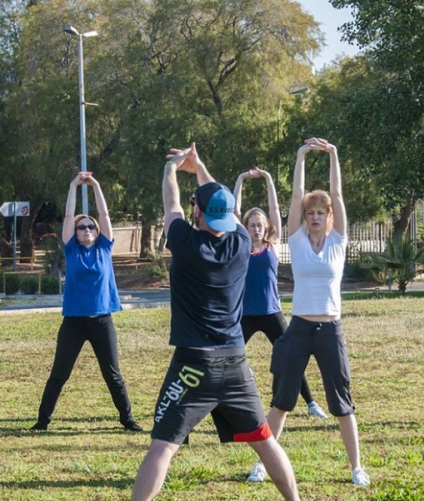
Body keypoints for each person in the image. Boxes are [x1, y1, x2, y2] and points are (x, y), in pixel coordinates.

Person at [131, 144, 299, 501]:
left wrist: (172, 170)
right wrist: (201, 167)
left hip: (194, 364)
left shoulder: (185, 242)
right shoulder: (241, 242)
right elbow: (227, 208)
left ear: (197, 211)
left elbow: (171, 205)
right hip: (235, 362)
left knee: (163, 446)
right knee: (266, 441)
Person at [248, 138, 370, 487]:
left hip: (331, 329)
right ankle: (263, 465)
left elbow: (339, 194)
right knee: (282, 401)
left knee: (342, 403)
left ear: (329, 217)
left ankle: (356, 467)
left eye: (321, 213)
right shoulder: (296, 240)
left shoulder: (338, 242)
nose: (315, 217)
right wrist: (301, 155)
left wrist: (333, 154)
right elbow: (296, 194)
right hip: (299, 329)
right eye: (310, 212)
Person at [31, 171, 142, 432]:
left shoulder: (105, 246)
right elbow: (69, 216)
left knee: (112, 375)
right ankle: (42, 421)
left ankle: (127, 419)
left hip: (102, 320)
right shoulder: (71, 249)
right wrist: (72, 186)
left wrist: (96, 186)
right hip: (74, 322)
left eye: (90, 226)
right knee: (59, 374)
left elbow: (104, 215)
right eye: (82, 227)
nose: (87, 230)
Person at [232, 167, 327, 420]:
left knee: (290, 358)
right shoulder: (240, 246)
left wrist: (269, 180)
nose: (256, 229)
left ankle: (311, 403)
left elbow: (275, 212)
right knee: (228, 357)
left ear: (266, 228)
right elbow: (234, 213)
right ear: (245, 228)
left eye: (259, 225)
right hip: (245, 314)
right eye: (251, 225)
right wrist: (240, 179)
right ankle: (224, 405)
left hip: (271, 312)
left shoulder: (272, 246)